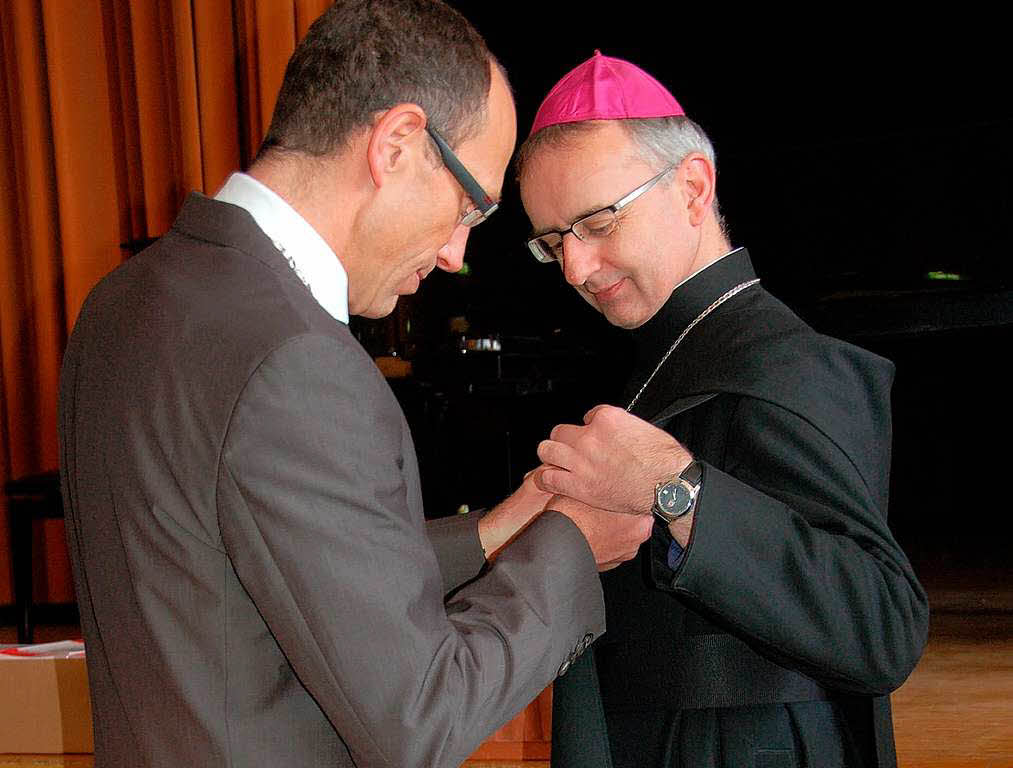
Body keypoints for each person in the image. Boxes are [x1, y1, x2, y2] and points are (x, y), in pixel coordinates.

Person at [57, 9, 654, 767]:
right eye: (471, 206)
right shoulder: (296, 356)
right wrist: (571, 545)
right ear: (396, 144)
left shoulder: (124, 300)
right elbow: (420, 716)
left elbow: (260, 579)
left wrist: (497, 533)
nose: (452, 253)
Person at [516, 51, 929, 768]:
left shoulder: (790, 363)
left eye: (599, 222)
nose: (576, 269)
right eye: (554, 243)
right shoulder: (664, 355)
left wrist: (676, 488)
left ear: (691, 189)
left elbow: (882, 626)